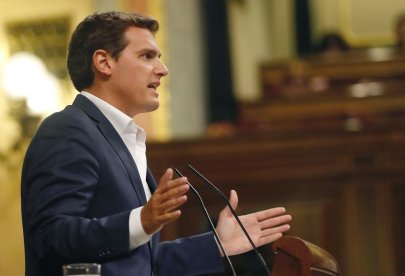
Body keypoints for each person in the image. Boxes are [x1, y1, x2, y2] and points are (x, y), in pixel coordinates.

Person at [21, 11, 292, 276]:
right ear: (104, 62)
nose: (162, 70)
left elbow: (141, 265)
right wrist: (140, 221)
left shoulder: (123, 140)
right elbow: (50, 238)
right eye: (147, 56)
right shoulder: (68, 130)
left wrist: (216, 245)